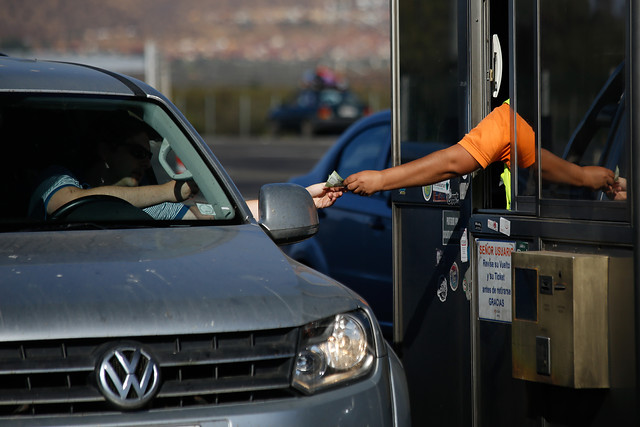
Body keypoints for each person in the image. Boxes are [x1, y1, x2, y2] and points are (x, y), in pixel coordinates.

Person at [29, 114, 343, 220]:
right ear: (105, 151)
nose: (145, 162)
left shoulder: (149, 209)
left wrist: (304, 197)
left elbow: (227, 212)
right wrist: (168, 191)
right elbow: (67, 203)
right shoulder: (57, 178)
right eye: (138, 152)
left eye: (149, 156)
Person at [343, 103, 616, 200]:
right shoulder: (509, 119)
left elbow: (452, 162)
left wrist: (381, 180)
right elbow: (537, 161)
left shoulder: (504, 121)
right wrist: (581, 176)